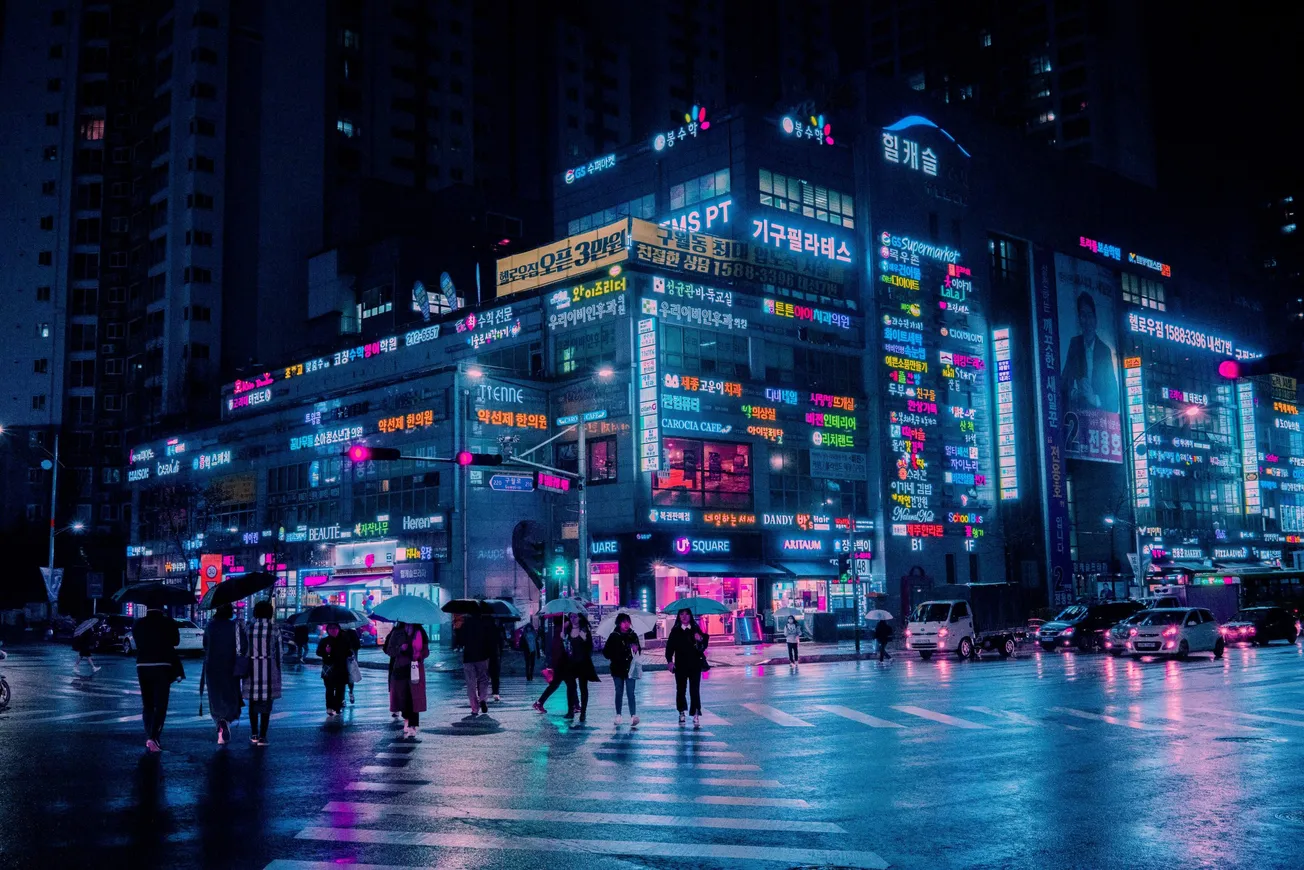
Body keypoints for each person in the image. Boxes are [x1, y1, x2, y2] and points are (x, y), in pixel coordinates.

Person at [132, 604, 181, 753]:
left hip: (142, 665)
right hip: (162, 664)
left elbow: (137, 642)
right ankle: (154, 737)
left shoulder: (138, 623)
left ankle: (149, 735)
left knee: (147, 703)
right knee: (161, 704)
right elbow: (175, 642)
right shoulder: (168, 622)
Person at [1062, 291, 1120, 412]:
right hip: (1077, 414)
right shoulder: (1075, 344)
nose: (1086, 321)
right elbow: (1064, 382)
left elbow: (1113, 397)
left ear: (1095, 319)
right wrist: (1075, 393)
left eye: (1089, 315)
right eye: (1083, 315)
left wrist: (1094, 398)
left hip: (1099, 420)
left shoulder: (1104, 351)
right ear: (1079, 319)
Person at [243, 600, 282, 746]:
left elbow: (243, 648)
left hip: (251, 668)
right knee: (267, 704)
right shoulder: (275, 629)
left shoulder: (248, 628)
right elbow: (279, 653)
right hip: (269, 667)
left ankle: (253, 734)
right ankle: (263, 736)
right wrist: (278, 668)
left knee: (253, 703)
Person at [203, 604, 243, 745]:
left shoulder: (210, 626)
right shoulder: (235, 626)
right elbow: (243, 645)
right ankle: (226, 719)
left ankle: (220, 722)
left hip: (212, 666)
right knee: (230, 694)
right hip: (231, 665)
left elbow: (205, 644)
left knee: (215, 696)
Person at [384, 621, 430, 738]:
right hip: (400, 668)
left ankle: (413, 724)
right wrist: (400, 648)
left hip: (415, 668)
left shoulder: (420, 632)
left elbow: (426, 651)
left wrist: (419, 655)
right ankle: (406, 719)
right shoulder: (397, 632)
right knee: (403, 696)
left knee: (414, 697)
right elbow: (389, 650)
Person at [665, 608, 708, 727]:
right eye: (681, 614)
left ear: (690, 616)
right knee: (681, 690)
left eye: (687, 614)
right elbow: (669, 648)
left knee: (694, 690)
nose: (684, 617)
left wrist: (700, 640)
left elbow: (703, 645)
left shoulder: (696, 629)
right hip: (681, 665)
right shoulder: (675, 631)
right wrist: (669, 661)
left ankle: (695, 713)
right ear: (678, 617)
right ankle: (681, 712)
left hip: (695, 665)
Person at [602, 612, 641, 727]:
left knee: (631, 693)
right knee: (619, 692)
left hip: (631, 668)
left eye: (628, 622)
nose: (626, 624)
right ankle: (618, 715)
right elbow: (606, 653)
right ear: (619, 623)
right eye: (624, 622)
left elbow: (639, 651)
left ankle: (633, 715)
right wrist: (615, 654)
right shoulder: (614, 636)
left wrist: (636, 649)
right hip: (617, 668)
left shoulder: (633, 635)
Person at [457, 611, 495, 717]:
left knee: (471, 683)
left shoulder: (465, 625)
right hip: (482, 656)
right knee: (483, 679)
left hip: (468, 657)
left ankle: (474, 708)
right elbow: (489, 641)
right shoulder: (484, 625)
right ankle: (482, 698)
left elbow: (460, 642)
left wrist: (457, 629)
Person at [564, 612, 600, 723]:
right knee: (570, 687)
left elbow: (590, 647)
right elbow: (566, 647)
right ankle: (571, 710)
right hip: (571, 663)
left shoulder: (584, 630)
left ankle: (583, 712)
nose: (573, 619)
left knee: (583, 688)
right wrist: (563, 638)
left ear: (580, 618)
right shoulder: (567, 630)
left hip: (583, 663)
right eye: (571, 617)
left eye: (575, 616)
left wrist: (585, 640)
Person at [532, 620, 571, 714]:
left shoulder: (559, 633)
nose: (569, 623)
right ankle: (539, 702)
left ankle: (539, 702)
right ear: (563, 623)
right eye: (567, 621)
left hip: (561, 664)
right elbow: (559, 651)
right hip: (561, 665)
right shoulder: (559, 634)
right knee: (568, 685)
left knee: (559, 685)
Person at [317, 623, 352, 717]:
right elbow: (318, 652)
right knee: (329, 689)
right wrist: (326, 652)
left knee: (340, 690)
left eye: (335, 628)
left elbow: (349, 651)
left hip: (341, 669)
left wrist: (350, 654)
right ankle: (329, 707)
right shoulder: (325, 641)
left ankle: (337, 707)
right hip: (329, 669)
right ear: (328, 630)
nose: (333, 630)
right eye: (331, 629)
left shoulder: (344, 640)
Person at [342, 624, 361, 705]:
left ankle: (350, 693)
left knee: (349, 678)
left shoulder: (352, 632)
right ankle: (343, 698)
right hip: (342, 659)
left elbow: (357, 645)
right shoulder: (339, 632)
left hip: (350, 659)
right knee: (343, 679)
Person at [488, 620, 503, 703]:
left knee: (483, 676)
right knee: (495, 676)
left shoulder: (484, 630)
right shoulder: (497, 630)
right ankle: (496, 693)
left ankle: (481, 694)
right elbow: (501, 644)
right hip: (495, 655)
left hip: (485, 655)